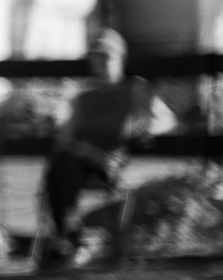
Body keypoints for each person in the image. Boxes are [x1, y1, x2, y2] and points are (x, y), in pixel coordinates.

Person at [35, 29, 174, 267]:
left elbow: (167, 119)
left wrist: (148, 129)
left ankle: (67, 237)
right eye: (95, 60)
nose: (99, 65)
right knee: (62, 165)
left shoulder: (134, 89)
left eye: (105, 58)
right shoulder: (84, 98)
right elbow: (65, 138)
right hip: (79, 163)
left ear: (120, 58)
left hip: (110, 164)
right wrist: (82, 149)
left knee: (61, 169)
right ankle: (68, 236)